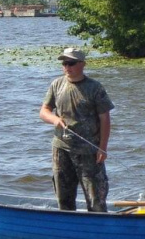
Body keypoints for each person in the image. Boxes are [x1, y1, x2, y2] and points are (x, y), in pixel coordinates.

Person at [39, 48, 114, 212]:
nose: (67, 67)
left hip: (89, 151)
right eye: (64, 63)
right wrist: (55, 119)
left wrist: (103, 147)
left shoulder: (95, 88)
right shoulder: (56, 84)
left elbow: (105, 119)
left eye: (71, 63)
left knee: (96, 200)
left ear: (82, 64)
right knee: (63, 198)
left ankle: (98, 229)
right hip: (61, 148)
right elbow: (44, 111)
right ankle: (68, 230)